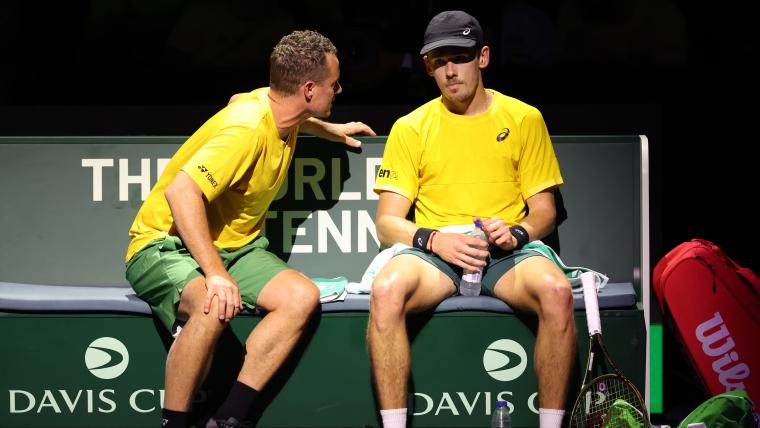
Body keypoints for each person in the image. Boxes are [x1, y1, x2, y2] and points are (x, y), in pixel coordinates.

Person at [124, 30, 375, 428]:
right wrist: (216, 274)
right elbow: (181, 191)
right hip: (165, 246)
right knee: (211, 304)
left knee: (300, 296)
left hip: (237, 246)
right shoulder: (246, 132)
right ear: (309, 89)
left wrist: (330, 129)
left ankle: (229, 419)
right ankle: (174, 423)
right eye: (334, 84)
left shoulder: (273, 104)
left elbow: (238, 100)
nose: (339, 89)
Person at [368, 11, 574, 428]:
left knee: (557, 292)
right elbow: (387, 223)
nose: (450, 70)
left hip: (505, 253)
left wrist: (517, 232)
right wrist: (435, 240)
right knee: (386, 291)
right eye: (439, 60)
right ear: (427, 66)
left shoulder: (523, 118)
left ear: (482, 57)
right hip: (437, 255)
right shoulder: (411, 127)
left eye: (459, 57)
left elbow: (544, 213)